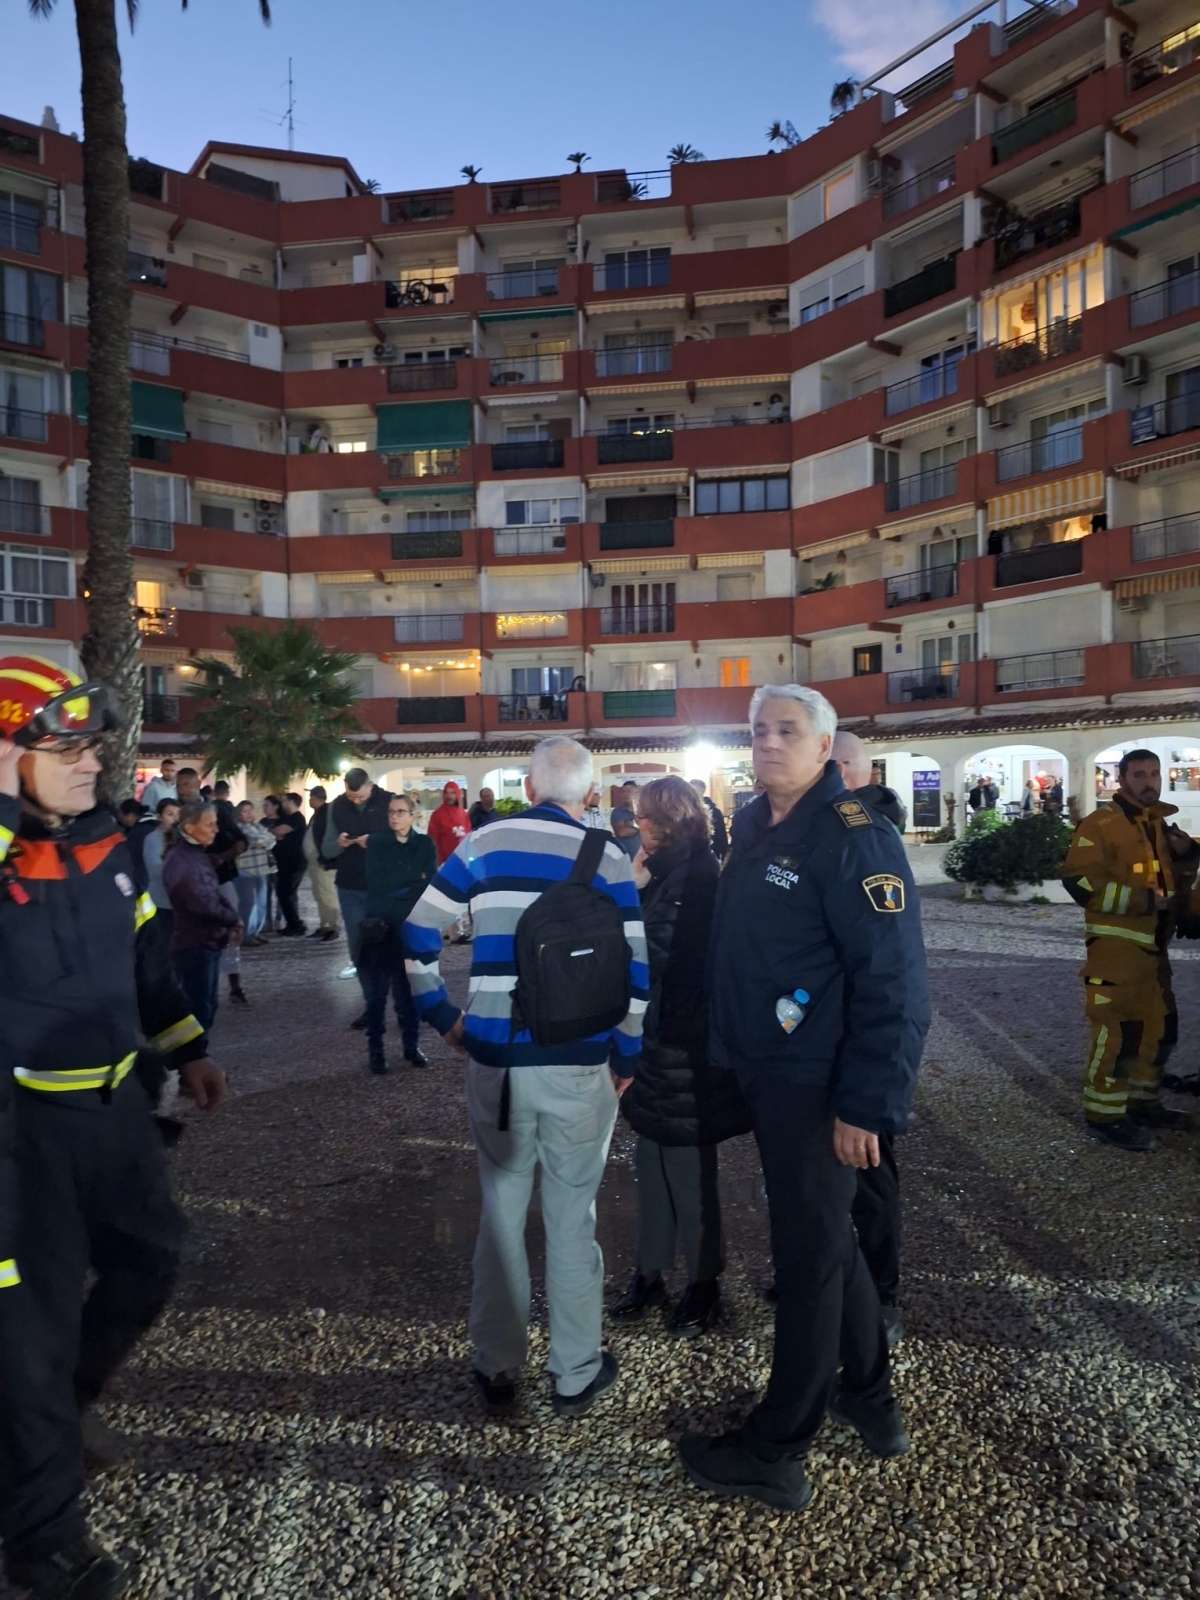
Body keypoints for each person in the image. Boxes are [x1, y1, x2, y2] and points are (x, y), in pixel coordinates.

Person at [0, 655, 224, 1600]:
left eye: (96, 744)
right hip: (19, 1134)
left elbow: (146, 958)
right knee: (29, 1331)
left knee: (152, 1259)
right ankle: (42, 1538)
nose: (95, 762)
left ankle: (60, 1407)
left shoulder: (110, 844)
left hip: (113, 1107)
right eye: (68, 745)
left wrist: (188, 1048)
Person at [679, 685, 929, 1513]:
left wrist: (868, 1105)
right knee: (830, 1241)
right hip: (768, 1069)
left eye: (789, 731)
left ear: (827, 749)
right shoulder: (754, 824)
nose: (768, 743)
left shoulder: (855, 837)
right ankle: (870, 1397)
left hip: (820, 1085)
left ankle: (778, 1443)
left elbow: (893, 982)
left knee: (810, 1256)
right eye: (758, 731)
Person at [404, 736, 648, 1420]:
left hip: (496, 1064)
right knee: (574, 1218)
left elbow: (418, 932)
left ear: (529, 786)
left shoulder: (482, 844)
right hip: (580, 1062)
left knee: (502, 1212)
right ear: (591, 796)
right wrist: (626, 1059)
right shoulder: (610, 857)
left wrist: (441, 1014)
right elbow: (637, 975)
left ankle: (497, 1364)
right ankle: (574, 1371)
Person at [611, 778, 749, 1337]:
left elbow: (653, 958)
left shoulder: (694, 878)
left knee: (690, 1172)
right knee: (650, 1164)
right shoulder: (666, 872)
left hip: (684, 1048)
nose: (633, 823)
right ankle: (650, 1271)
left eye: (641, 815)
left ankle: (704, 1282)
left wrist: (630, 894)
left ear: (659, 821)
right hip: (656, 1044)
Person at [1061, 748, 1199, 1151]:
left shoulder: (1157, 825)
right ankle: (1105, 1115)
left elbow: (1171, 887)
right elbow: (1079, 884)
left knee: (1160, 1032)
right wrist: (1140, 902)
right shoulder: (1100, 824)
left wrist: (1187, 857)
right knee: (1120, 1035)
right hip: (1115, 953)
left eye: (1155, 773)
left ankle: (1143, 1102)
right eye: (1139, 774)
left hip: (1155, 955)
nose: (1149, 781)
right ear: (1120, 779)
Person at [827, 730, 912, 1339]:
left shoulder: (869, 834)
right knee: (825, 1174)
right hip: (816, 1037)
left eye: (835, 765)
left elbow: (891, 971)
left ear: (857, 770)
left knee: (870, 1173)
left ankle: (879, 1293)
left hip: (857, 1039)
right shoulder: (817, 825)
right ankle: (828, 1277)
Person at [360, 796, 436, 1073]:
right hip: (380, 927)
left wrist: (409, 887)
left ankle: (411, 1045)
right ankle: (376, 1051)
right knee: (377, 993)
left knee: (408, 990)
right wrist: (413, 882)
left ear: (414, 815)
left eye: (400, 812)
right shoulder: (377, 843)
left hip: (409, 926)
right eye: (391, 812)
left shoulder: (425, 844)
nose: (394, 817)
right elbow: (376, 881)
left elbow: (430, 882)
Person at [161, 800, 243, 1032]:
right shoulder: (183, 859)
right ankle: (194, 1063)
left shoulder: (194, 854)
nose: (215, 830)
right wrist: (232, 918)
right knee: (198, 1011)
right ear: (189, 828)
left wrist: (231, 916)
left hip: (205, 940)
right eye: (210, 825)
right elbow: (203, 902)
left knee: (205, 1006)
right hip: (194, 943)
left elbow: (212, 892)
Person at [322, 768, 395, 1013]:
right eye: (350, 797)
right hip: (350, 886)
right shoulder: (337, 806)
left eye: (360, 797)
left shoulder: (390, 802)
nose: (355, 801)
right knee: (359, 947)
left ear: (370, 786)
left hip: (384, 887)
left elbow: (405, 840)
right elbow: (327, 850)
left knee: (390, 946)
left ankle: (402, 1003)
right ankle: (372, 1004)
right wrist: (338, 844)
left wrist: (374, 842)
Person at [233, 800, 274, 945]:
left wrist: (262, 842)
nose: (249, 814)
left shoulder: (257, 826)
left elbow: (271, 838)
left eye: (250, 810)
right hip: (246, 870)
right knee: (248, 903)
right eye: (245, 811)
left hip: (261, 869)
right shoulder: (238, 828)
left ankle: (255, 931)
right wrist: (263, 841)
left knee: (261, 902)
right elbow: (253, 839)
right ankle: (246, 934)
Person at [303, 784, 340, 941]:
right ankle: (324, 924)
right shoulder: (318, 813)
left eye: (310, 797)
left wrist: (326, 858)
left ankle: (332, 926)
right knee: (319, 894)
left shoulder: (325, 813)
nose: (309, 800)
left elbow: (327, 836)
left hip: (322, 862)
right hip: (315, 862)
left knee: (327, 894)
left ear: (315, 798)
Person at [142, 797, 181, 944]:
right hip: (161, 900)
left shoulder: (181, 838)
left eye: (178, 815)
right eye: (170, 814)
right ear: (159, 817)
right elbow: (156, 868)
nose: (175, 819)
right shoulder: (153, 839)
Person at [271, 792, 308, 937]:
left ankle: (295, 925)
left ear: (292, 802)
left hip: (294, 862)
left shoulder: (297, 818)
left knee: (286, 893)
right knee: (286, 893)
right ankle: (293, 923)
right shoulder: (286, 818)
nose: (282, 803)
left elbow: (279, 831)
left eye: (284, 800)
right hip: (285, 862)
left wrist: (277, 833)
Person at [428, 780, 472, 864]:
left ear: (457, 794)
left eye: (452, 793)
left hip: (463, 860)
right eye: (447, 793)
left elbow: (468, 836)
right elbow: (432, 840)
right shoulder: (437, 815)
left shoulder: (463, 814)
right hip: (445, 862)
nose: (449, 796)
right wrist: (438, 861)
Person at [689, 779, 729, 860]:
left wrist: (723, 855)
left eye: (696, 791)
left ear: (702, 792)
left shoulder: (714, 812)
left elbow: (721, 835)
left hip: (710, 854)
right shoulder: (685, 811)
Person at [610, 783, 641, 858]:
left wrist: (631, 825)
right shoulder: (617, 812)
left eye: (628, 791)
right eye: (623, 791)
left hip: (644, 858)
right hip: (625, 857)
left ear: (636, 794)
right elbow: (621, 832)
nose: (625, 794)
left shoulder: (644, 810)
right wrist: (641, 826)